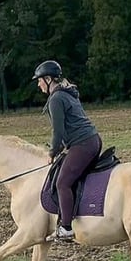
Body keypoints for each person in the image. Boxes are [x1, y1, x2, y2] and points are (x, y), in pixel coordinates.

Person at [32, 60, 102, 242]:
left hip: (83, 144)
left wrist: (52, 152)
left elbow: (59, 131)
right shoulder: (67, 93)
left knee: (62, 183)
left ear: (48, 79)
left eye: (39, 80)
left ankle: (66, 228)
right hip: (92, 140)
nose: (38, 84)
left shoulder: (56, 98)